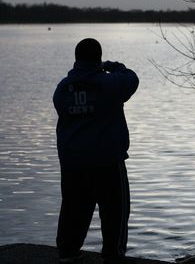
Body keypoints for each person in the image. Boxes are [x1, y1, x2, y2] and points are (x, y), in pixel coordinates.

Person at [53, 38, 139, 264]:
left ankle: (67, 251)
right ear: (98, 58)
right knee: (114, 210)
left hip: (73, 162)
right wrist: (114, 66)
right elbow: (132, 79)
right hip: (107, 160)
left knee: (73, 207)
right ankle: (112, 254)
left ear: (76, 59)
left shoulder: (63, 88)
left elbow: (63, 112)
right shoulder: (110, 84)